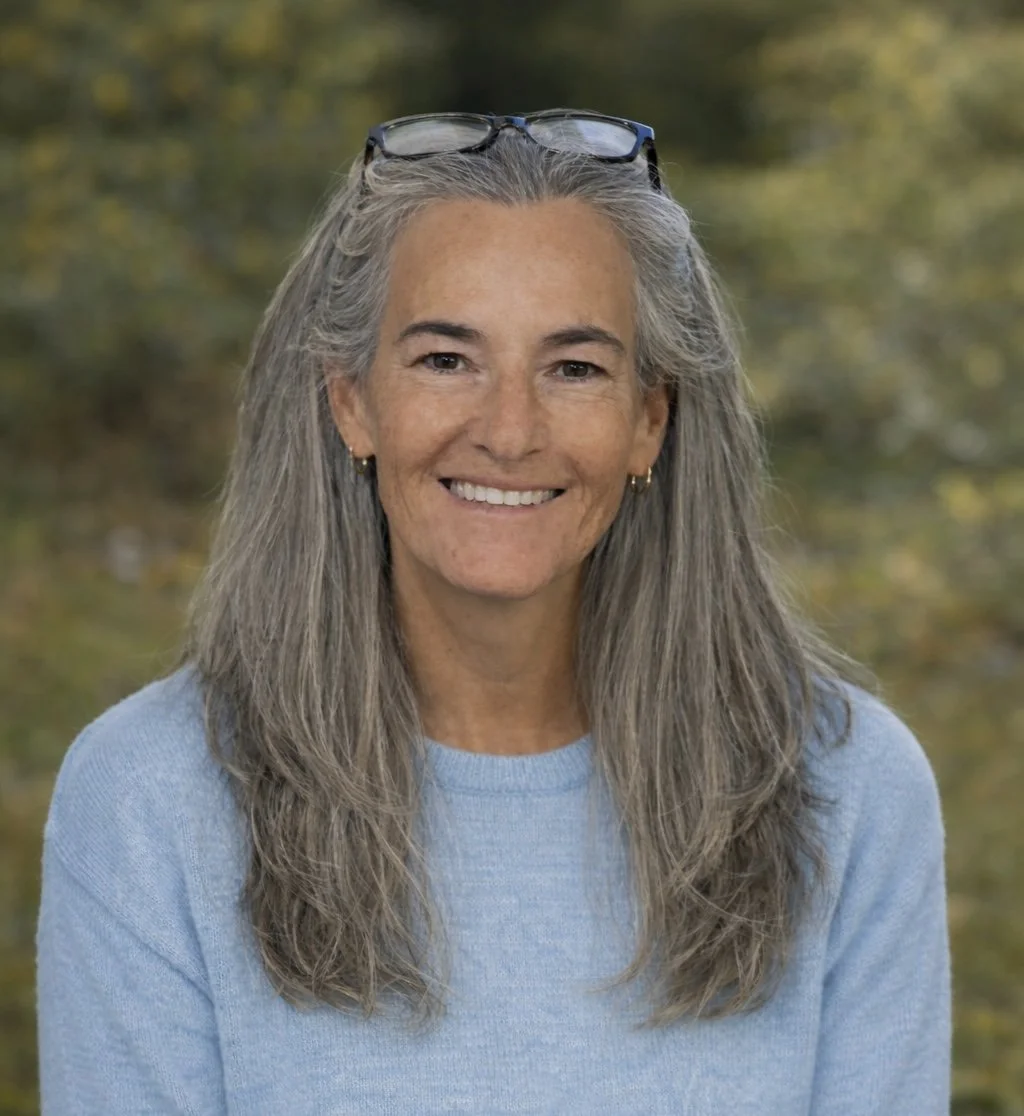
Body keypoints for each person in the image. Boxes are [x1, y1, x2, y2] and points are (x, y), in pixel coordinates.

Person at [36, 111, 951, 1114]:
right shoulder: (150, 797)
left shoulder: (846, 788)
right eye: (444, 360)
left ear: (651, 419)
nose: (509, 431)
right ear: (351, 402)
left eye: (574, 368)